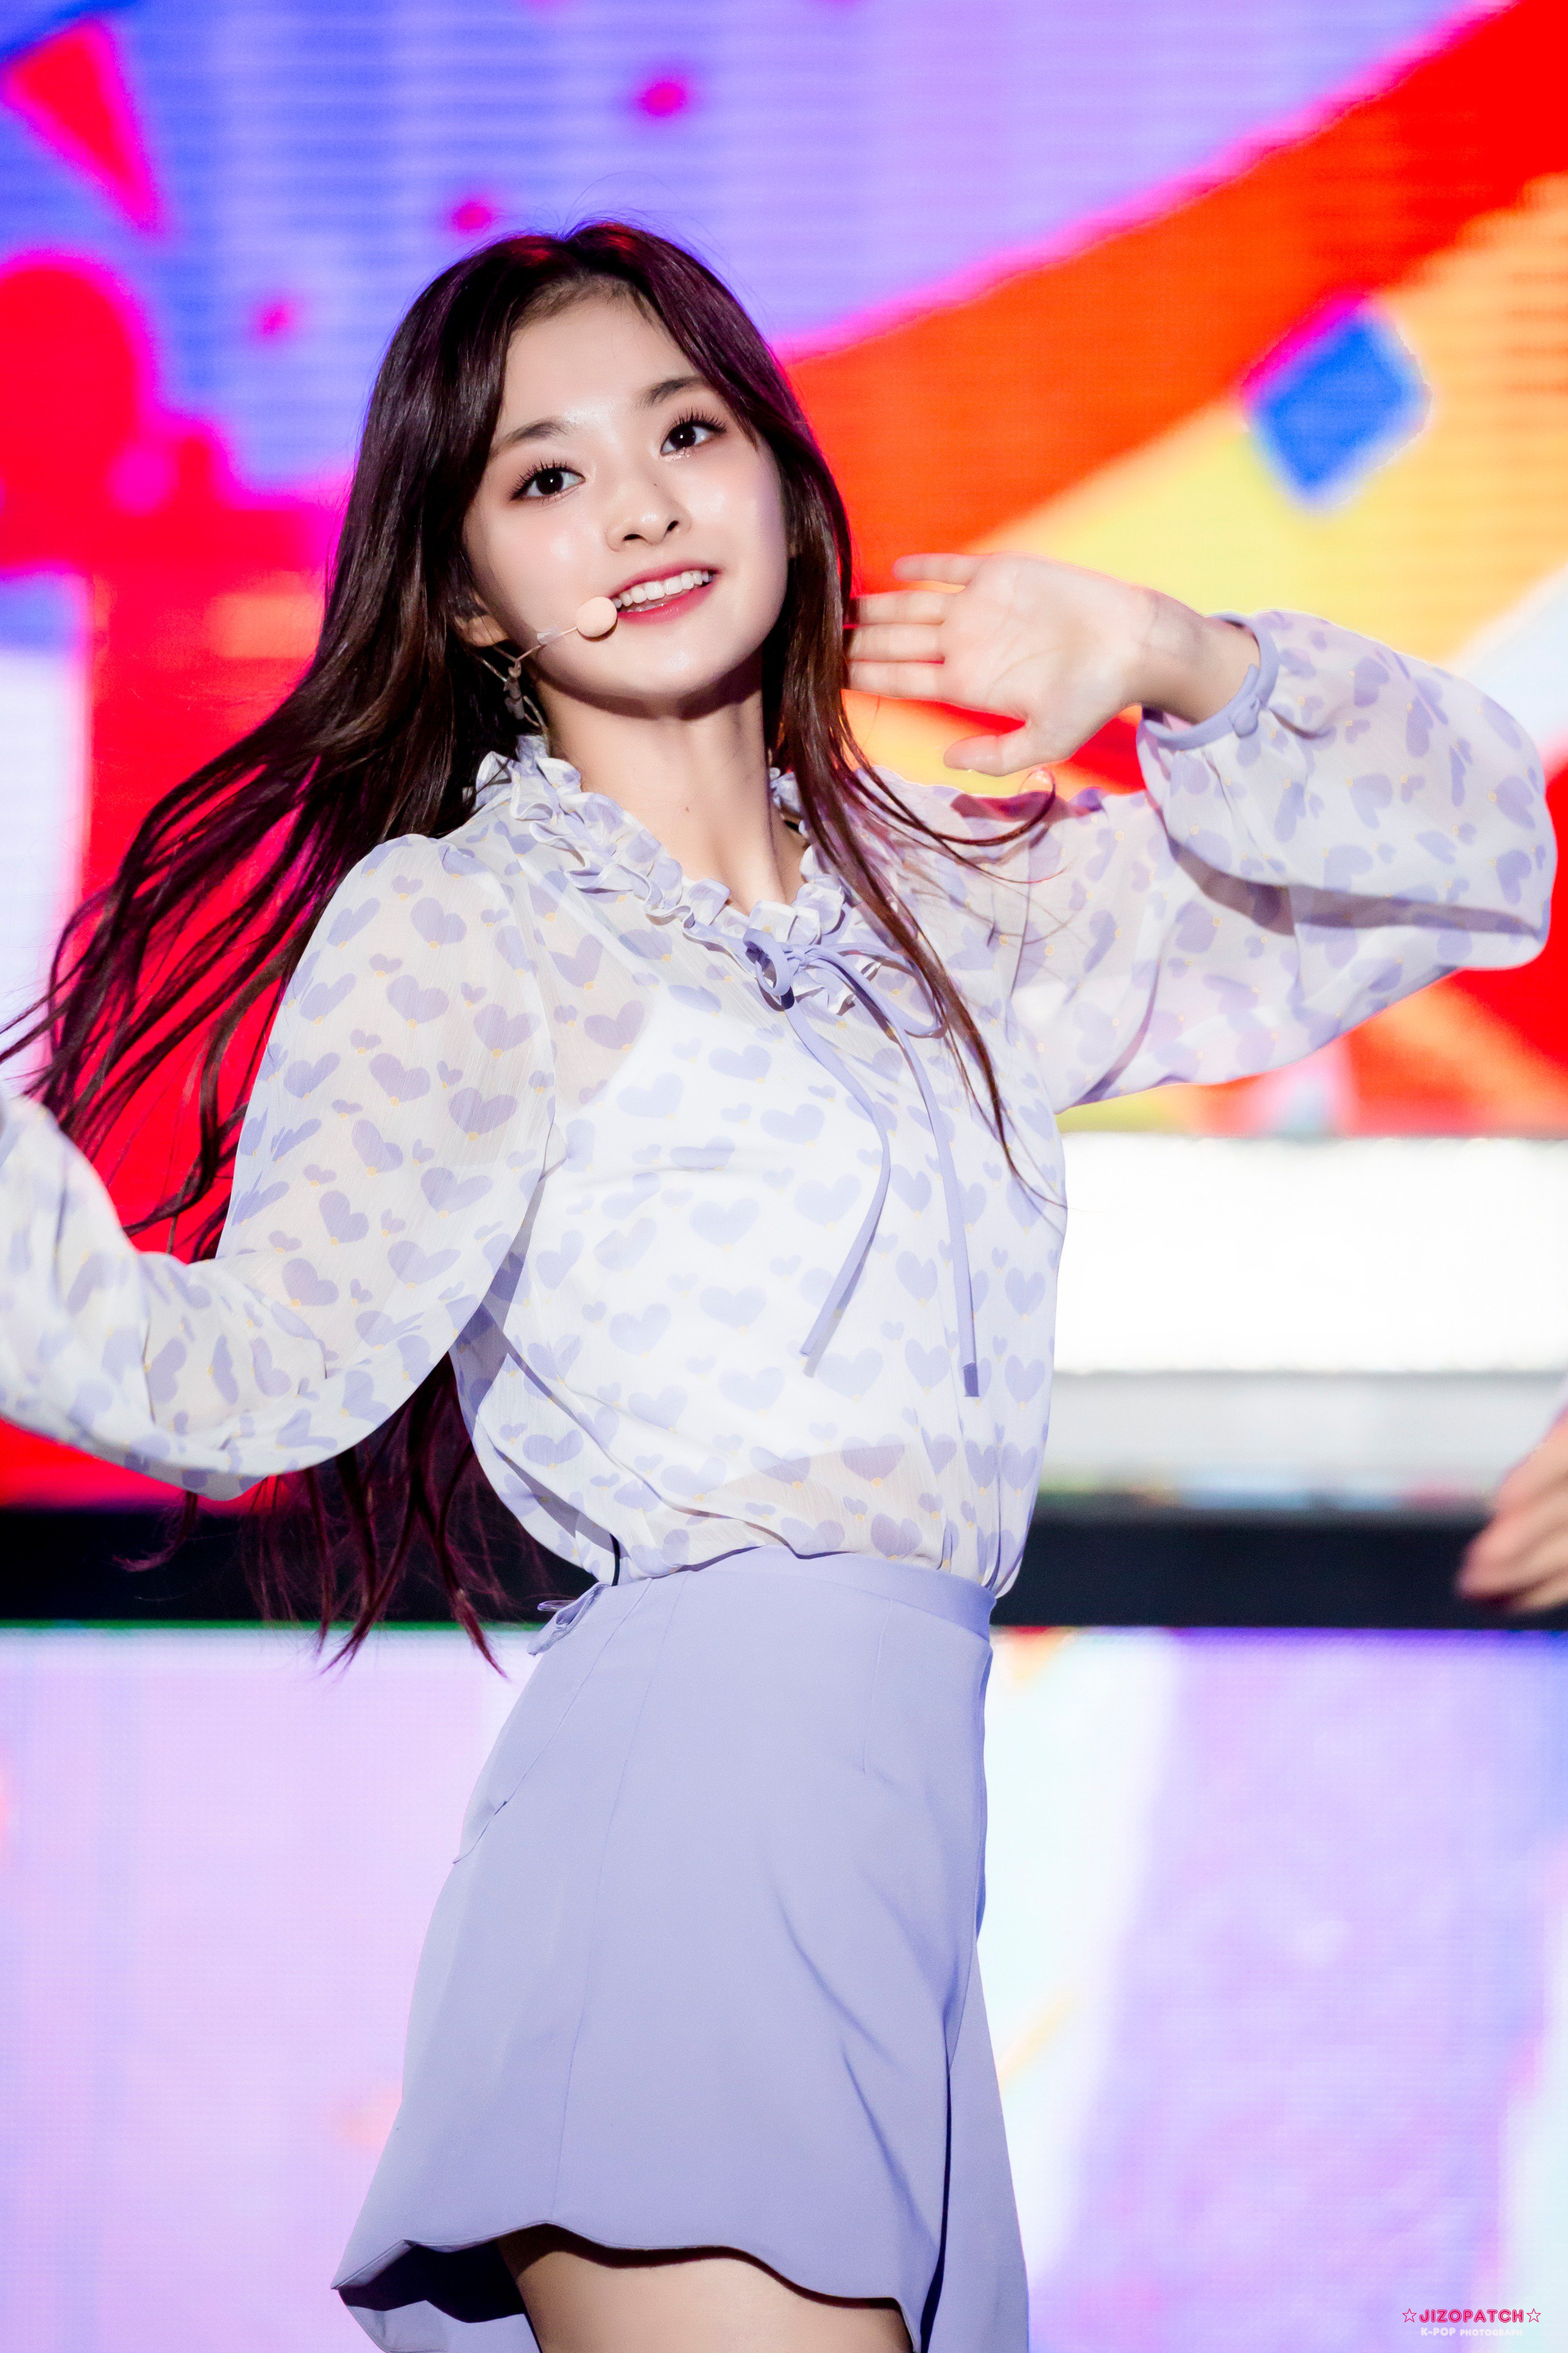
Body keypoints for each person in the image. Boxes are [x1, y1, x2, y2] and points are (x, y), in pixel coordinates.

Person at [0, 223, 1555, 2353]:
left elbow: (1472, 865)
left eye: (686, 433)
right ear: (468, 596)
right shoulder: (471, 927)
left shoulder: (959, 898)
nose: (639, 507)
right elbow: (237, 1376)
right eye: (547, 477)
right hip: (694, 1809)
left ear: (782, 479)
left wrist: (1174, 652)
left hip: (903, 1841)